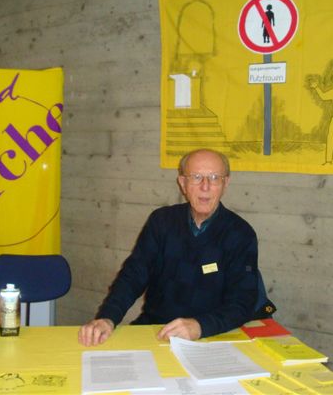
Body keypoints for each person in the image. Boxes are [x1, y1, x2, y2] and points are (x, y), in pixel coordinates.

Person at [78, 148, 263, 347]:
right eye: (196, 177)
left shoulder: (240, 234)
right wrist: (108, 317)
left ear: (225, 183)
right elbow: (134, 275)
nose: (205, 186)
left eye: (214, 178)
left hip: (211, 335)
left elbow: (242, 302)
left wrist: (199, 326)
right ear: (182, 183)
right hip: (156, 328)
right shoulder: (162, 221)